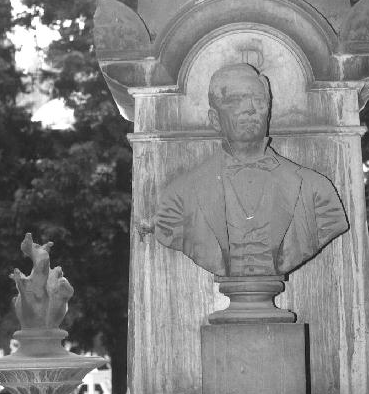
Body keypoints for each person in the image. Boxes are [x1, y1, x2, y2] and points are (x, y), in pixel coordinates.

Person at [141, 63, 348, 276]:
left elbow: (330, 223)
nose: (250, 109)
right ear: (214, 119)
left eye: (259, 101)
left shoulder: (316, 190)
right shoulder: (180, 196)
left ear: (268, 112)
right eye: (235, 100)